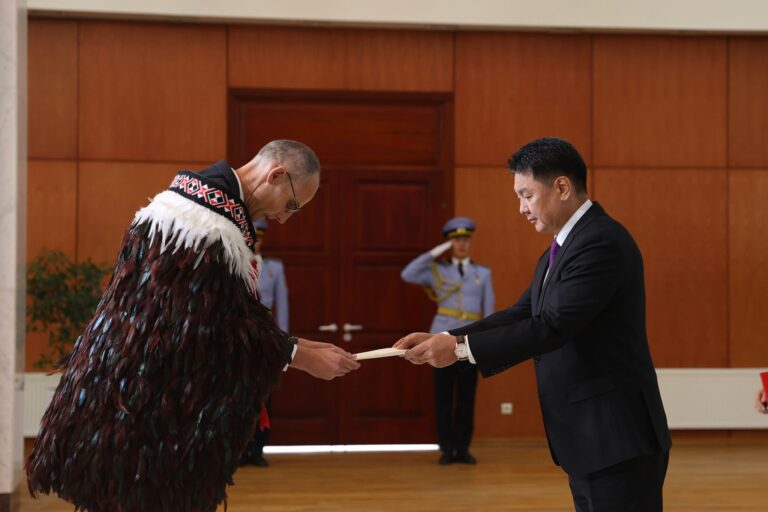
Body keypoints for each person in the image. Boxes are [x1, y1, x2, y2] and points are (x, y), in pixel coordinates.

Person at [26, 140, 360, 512]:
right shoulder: (199, 225)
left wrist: (296, 344)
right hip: (138, 408)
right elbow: (203, 324)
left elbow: (223, 308)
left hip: (144, 398)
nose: (285, 217)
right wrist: (295, 355)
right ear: (276, 175)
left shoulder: (210, 212)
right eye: (292, 204)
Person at [396, 138, 671, 512]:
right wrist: (447, 336)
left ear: (561, 186)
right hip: (590, 438)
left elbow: (552, 326)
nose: (521, 208)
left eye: (526, 195)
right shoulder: (560, 248)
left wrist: (460, 350)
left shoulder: (600, 242)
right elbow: (523, 313)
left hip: (615, 436)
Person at [401, 217, 494, 465]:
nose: (461, 244)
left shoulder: (482, 273)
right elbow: (407, 274)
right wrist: (436, 252)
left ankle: (463, 448)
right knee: (443, 397)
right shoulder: (437, 270)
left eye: (465, 240)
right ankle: (446, 448)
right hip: (439, 337)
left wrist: (486, 343)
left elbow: (489, 312)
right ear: (449, 244)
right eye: (456, 240)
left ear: (470, 242)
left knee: (466, 397)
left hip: (469, 340)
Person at [240, 219, 289, 467]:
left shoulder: (274, 268)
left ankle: (257, 449)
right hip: (239, 336)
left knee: (264, 395)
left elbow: (283, 307)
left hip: (266, 336)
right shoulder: (235, 264)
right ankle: (238, 451)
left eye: (259, 237)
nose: (255, 242)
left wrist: (285, 345)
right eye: (252, 237)